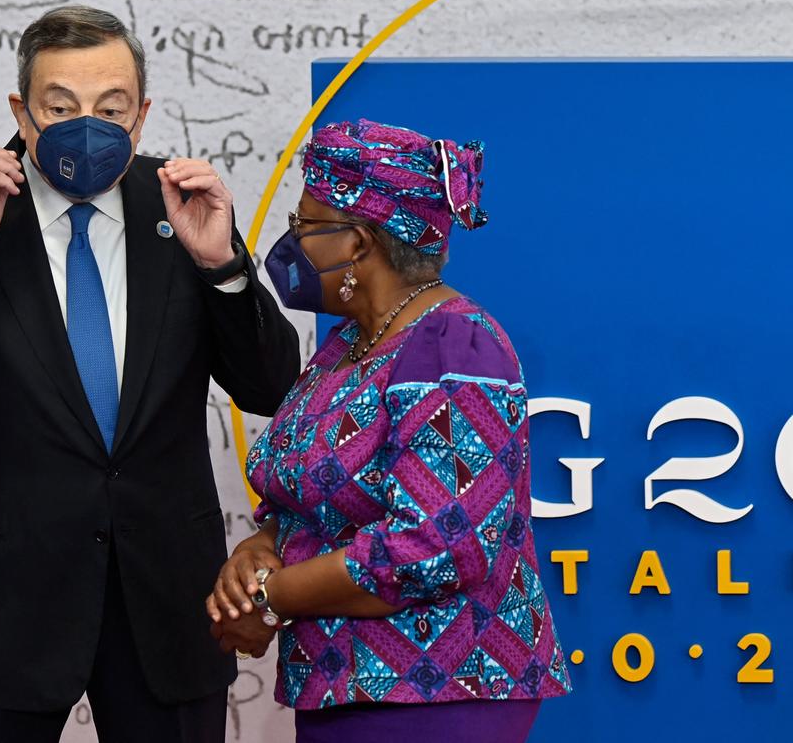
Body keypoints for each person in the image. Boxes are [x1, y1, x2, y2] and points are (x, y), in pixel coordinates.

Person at [0, 5, 300, 743]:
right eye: (61, 106)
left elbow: (273, 387)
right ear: (22, 112)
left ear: (143, 114)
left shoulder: (179, 206)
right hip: (1, 613)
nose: (85, 124)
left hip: (165, 604)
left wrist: (222, 267)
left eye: (110, 108)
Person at [207, 118, 572, 742]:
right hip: (338, 684)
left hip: (440, 693)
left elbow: (437, 546)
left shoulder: (455, 345)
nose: (291, 244)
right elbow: (313, 499)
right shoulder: (346, 347)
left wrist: (272, 599)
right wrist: (260, 549)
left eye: (304, 226)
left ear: (356, 242)